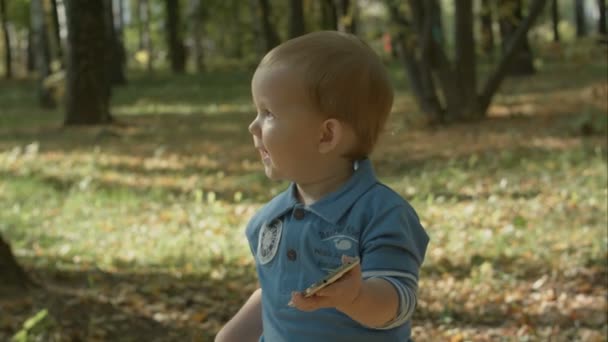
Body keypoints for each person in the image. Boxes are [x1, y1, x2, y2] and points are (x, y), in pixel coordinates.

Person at [215, 31, 429, 342]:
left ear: (326, 135)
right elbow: (276, 293)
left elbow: (397, 301)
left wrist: (357, 297)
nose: (253, 126)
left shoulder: (381, 214)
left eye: (268, 114)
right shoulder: (271, 220)